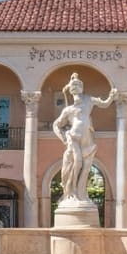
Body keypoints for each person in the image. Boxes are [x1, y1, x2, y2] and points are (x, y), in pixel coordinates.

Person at [51, 73, 117, 204]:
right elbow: (56, 125)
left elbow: (104, 104)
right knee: (77, 162)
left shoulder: (89, 100)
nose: (76, 88)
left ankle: (81, 194)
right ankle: (71, 192)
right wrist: (64, 137)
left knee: (86, 167)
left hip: (87, 140)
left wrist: (111, 97)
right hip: (74, 138)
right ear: (70, 91)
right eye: (73, 86)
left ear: (82, 87)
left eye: (78, 85)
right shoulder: (69, 109)